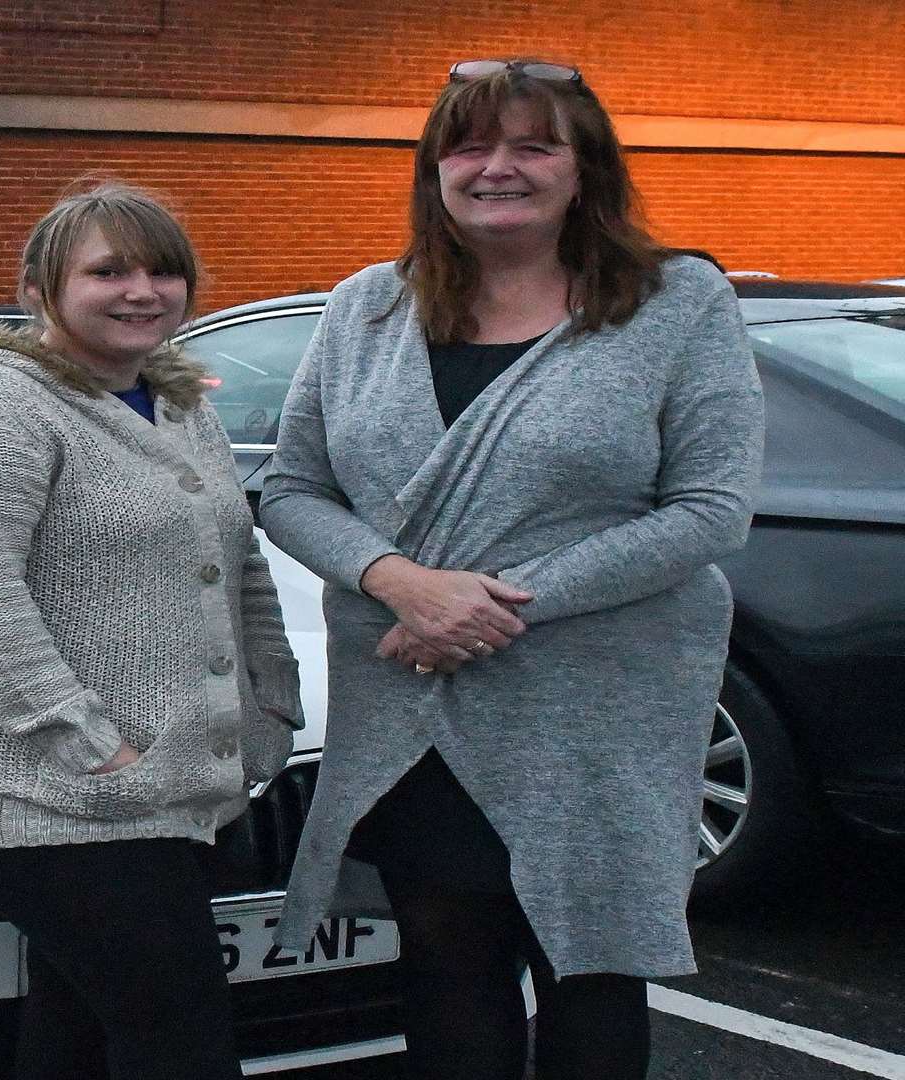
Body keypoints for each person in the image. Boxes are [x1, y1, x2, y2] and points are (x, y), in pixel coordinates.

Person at [256, 60, 764, 1080]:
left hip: (593, 711)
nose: (499, 168)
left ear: (586, 170)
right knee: (447, 962)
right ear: (435, 168)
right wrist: (403, 582)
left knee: (589, 973)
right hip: (414, 706)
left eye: (534, 145)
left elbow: (709, 509)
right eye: (472, 146)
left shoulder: (677, 304)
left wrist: (486, 607)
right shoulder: (365, 310)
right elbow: (291, 487)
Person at [0, 182, 303, 1080]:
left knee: (77, 1028)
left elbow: (237, 561)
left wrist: (270, 700)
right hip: (37, 791)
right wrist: (90, 744)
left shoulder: (178, 403)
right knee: (180, 1038)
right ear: (41, 288)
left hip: (163, 786)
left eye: (164, 271)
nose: (142, 291)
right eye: (109, 271)